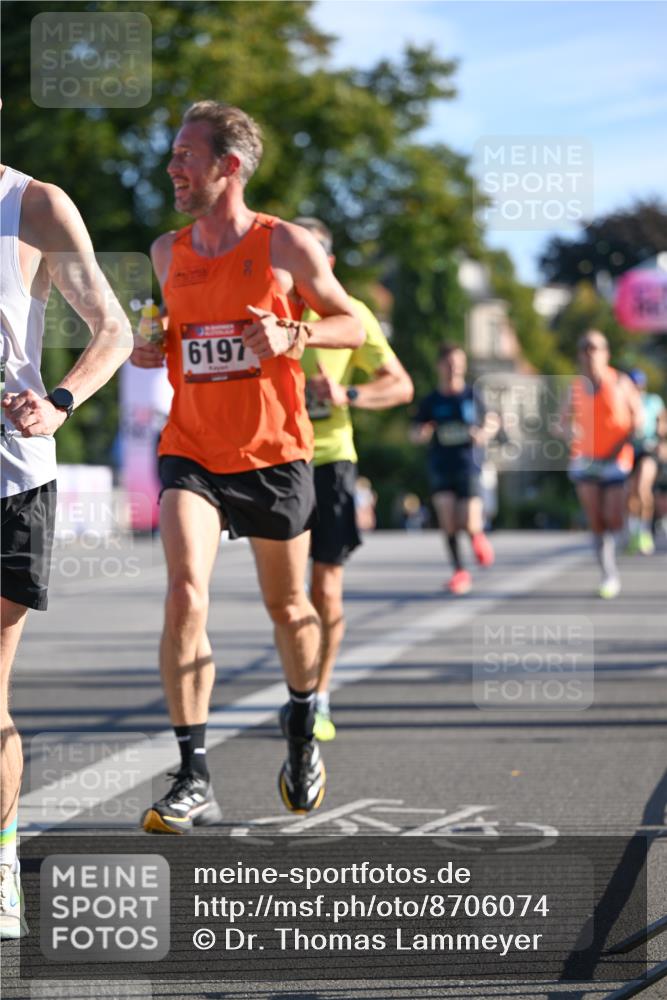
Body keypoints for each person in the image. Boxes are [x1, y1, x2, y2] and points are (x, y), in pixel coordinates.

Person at [130, 103, 363, 832]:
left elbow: (350, 321)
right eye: (172, 156)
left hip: (273, 454)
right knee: (183, 594)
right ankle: (192, 774)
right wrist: (151, 342)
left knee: (288, 609)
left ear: (228, 166)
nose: (172, 168)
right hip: (192, 448)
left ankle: (300, 729)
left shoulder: (283, 244)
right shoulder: (168, 252)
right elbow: (169, 335)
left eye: (185, 156)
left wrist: (292, 332)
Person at [0, 161, 132, 939]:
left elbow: (112, 329)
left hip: (8, 478)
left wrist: (58, 402)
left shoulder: (34, 204)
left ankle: (1, 856)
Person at [293, 217, 413, 741]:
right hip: (276, 461)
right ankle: (299, 686)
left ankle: (318, 694)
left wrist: (349, 396)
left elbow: (400, 385)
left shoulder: (351, 314)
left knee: (325, 586)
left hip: (331, 459)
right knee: (285, 592)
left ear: (329, 263)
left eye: (313, 253)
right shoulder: (268, 306)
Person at [562, 330, 642, 599]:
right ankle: (608, 574)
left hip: (615, 460)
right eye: (584, 347)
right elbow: (561, 422)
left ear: (605, 353)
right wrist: (567, 432)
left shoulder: (620, 382)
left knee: (614, 517)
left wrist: (625, 441)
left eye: (594, 347)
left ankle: (630, 533)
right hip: (586, 461)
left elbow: (637, 419)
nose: (589, 353)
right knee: (596, 519)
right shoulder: (574, 387)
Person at [410, 343, 495, 595]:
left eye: (458, 363)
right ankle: (459, 571)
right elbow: (414, 430)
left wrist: (484, 433)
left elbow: (492, 420)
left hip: (468, 465)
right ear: (440, 366)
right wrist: (421, 433)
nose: (453, 368)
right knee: (448, 520)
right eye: (448, 363)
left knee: (468, 520)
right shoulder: (431, 400)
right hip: (441, 466)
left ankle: (477, 536)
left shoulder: (472, 395)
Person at [626, 368, 666, 555]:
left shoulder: (652, 401)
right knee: (631, 493)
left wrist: (662, 441)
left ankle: (644, 531)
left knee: (643, 487)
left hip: (648, 449)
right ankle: (633, 530)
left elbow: (663, 424)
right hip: (627, 450)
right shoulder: (623, 401)